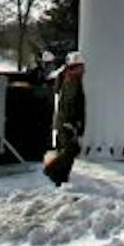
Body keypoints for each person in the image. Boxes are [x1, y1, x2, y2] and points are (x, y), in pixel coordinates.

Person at [46, 52, 85, 185]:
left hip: (65, 121)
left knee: (68, 150)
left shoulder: (69, 78)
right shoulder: (71, 81)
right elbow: (69, 103)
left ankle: (60, 177)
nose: (83, 69)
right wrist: (70, 122)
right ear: (74, 67)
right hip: (67, 122)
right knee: (70, 149)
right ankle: (53, 171)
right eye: (80, 66)